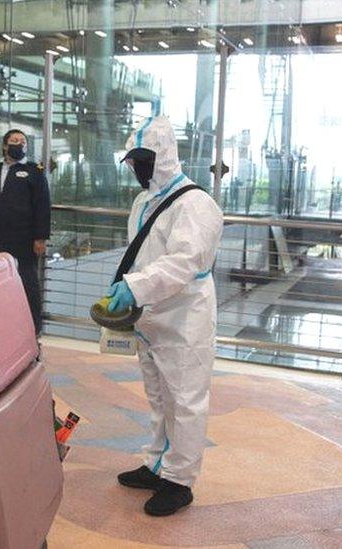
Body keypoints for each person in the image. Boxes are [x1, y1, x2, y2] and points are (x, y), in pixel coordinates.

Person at [107, 116, 223, 517]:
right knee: (159, 398)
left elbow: (184, 262)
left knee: (185, 399)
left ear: (164, 156)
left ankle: (180, 480)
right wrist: (130, 290)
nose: (138, 167)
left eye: (145, 158)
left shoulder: (196, 203)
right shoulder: (143, 202)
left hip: (184, 317)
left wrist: (136, 287)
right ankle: (157, 462)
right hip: (151, 317)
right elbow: (141, 254)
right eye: (134, 160)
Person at [0, 129, 50, 334]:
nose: (19, 144)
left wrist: (40, 237)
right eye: (14, 141)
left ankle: (33, 328)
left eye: (23, 142)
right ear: (5, 145)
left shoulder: (33, 171)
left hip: (24, 239)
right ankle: (1, 326)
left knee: (27, 282)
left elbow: (43, 206)